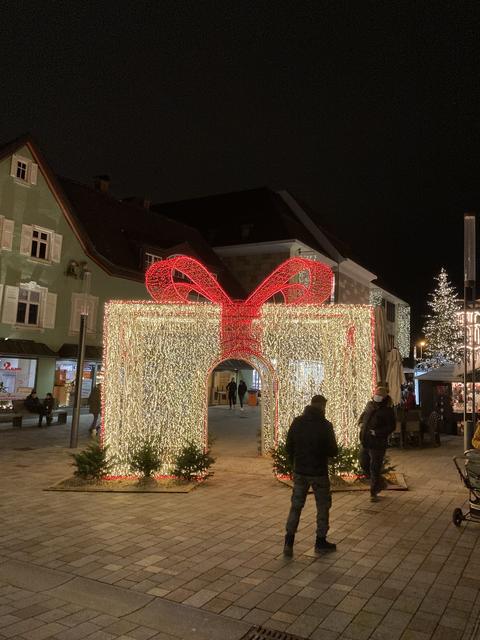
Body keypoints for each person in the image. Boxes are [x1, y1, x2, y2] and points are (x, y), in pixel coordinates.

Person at [283, 395, 338, 557]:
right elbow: (333, 451)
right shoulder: (325, 425)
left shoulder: (297, 422)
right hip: (319, 472)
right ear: (322, 406)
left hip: (300, 471)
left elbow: (288, 447)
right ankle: (320, 541)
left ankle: (289, 541)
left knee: (296, 506)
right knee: (323, 506)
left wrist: (294, 462)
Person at [358, 386, 396, 502]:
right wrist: (360, 423)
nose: (377, 396)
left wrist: (377, 432)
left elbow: (391, 426)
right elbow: (363, 416)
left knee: (374, 467)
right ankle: (380, 482)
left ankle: (373, 493)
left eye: (379, 395)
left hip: (377, 443)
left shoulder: (388, 410)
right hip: (366, 441)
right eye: (376, 393)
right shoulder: (370, 405)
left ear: (384, 397)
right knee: (363, 463)